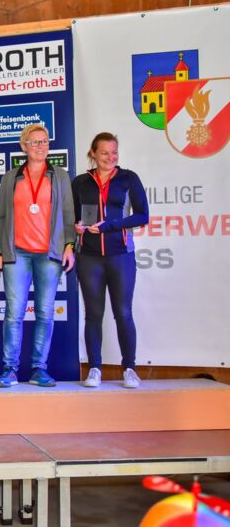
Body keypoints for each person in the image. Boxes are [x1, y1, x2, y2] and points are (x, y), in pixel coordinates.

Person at [0, 123, 75, 388]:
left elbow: (68, 214)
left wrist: (69, 245)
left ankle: (39, 368)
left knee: (45, 313)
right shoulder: (10, 178)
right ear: (24, 146)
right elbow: (1, 217)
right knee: (13, 314)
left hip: (49, 255)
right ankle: (9, 369)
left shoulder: (60, 176)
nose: (41, 146)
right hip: (17, 254)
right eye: (35, 142)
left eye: (45, 141)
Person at [72, 133, 149, 389]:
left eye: (114, 152)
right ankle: (94, 369)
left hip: (121, 255)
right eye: (104, 152)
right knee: (93, 315)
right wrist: (77, 227)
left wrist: (111, 225)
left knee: (123, 313)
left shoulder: (129, 178)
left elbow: (142, 216)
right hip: (88, 257)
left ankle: (130, 369)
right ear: (93, 153)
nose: (110, 157)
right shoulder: (80, 182)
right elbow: (72, 217)